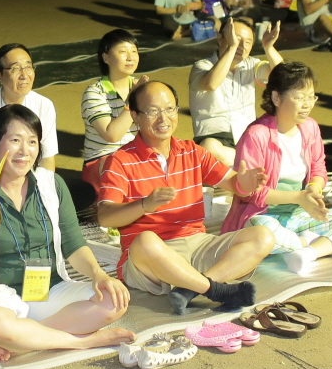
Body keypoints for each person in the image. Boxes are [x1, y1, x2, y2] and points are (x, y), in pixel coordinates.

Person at [0, 105, 133, 360]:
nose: (24, 150)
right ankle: (82, 341)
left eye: (32, 141)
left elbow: (74, 244)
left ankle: (21, 340)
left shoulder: (51, 184)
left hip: (50, 289)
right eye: (15, 140)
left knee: (113, 300)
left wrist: (99, 275)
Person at [95, 80, 272, 316]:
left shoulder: (192, 151)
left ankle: (190, 289)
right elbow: (105, 217)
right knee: (145, 241)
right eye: (153, 111)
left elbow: (233, 183)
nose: (163, 118)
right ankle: (215, 290)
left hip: (197, 243)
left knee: (263, 236)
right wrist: (145, 204)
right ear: (135, 116)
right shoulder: (119, 160)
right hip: (151, 260)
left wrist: (244, 183)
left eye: (170, 109)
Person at [223, 62, 332, 273]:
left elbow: (318, 168)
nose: (307, 105)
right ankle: (310, 243)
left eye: (311, 97)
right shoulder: (256, 135)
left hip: (299, 215)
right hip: (262, 217)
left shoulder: (310, 127)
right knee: (264, 235)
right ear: (276, 98)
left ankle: (307, 252)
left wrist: (313, 189)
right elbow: (253, 194)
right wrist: (299, 197)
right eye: (299, 98)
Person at [190, 18, 283, 164]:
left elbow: (282, 75)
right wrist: (231, 48)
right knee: (208, 148)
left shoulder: (252, 64)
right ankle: (254, 161)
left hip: (249, 136)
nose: (241, 46)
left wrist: (269, 48)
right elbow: (211, 84)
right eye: (236, 39)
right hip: (216, 137)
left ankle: (248, 161)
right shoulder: (202, 66)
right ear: (220, 38)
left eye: (248, 42)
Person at [0, 44, 58, 178]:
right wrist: (2, 186)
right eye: (15, 69)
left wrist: (42, 185)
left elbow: (47, 159)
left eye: (28, 67)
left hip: (30, 181)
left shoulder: (44, 105)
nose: (24, 75)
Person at [81, 30, 146, 189]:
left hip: (137, 159)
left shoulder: (143, 88)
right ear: (106, 58)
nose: (130, 57)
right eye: (123, 52)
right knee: (118, 168)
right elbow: (112, 135)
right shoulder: (95, 93)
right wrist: (132, 100)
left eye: (134, 51)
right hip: (102, 162)